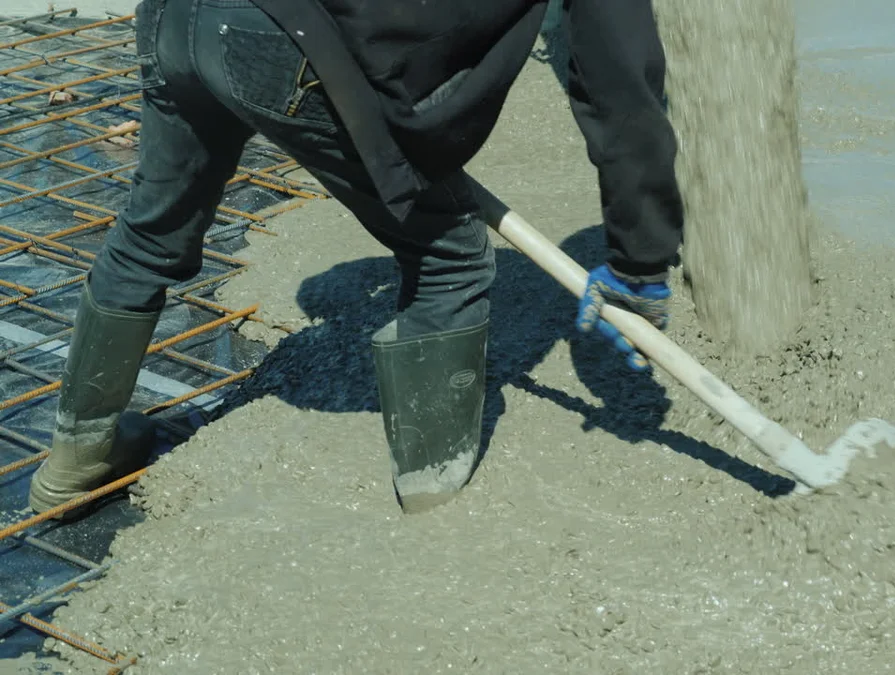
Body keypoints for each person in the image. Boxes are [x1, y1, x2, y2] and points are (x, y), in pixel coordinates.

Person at [26, 0, 684, 517]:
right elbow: (620, 87)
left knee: (152, 231)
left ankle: (76, 462)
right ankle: (430, 492)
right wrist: (639, 264)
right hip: (281, 38)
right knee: (448, 254)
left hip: (175, 18)